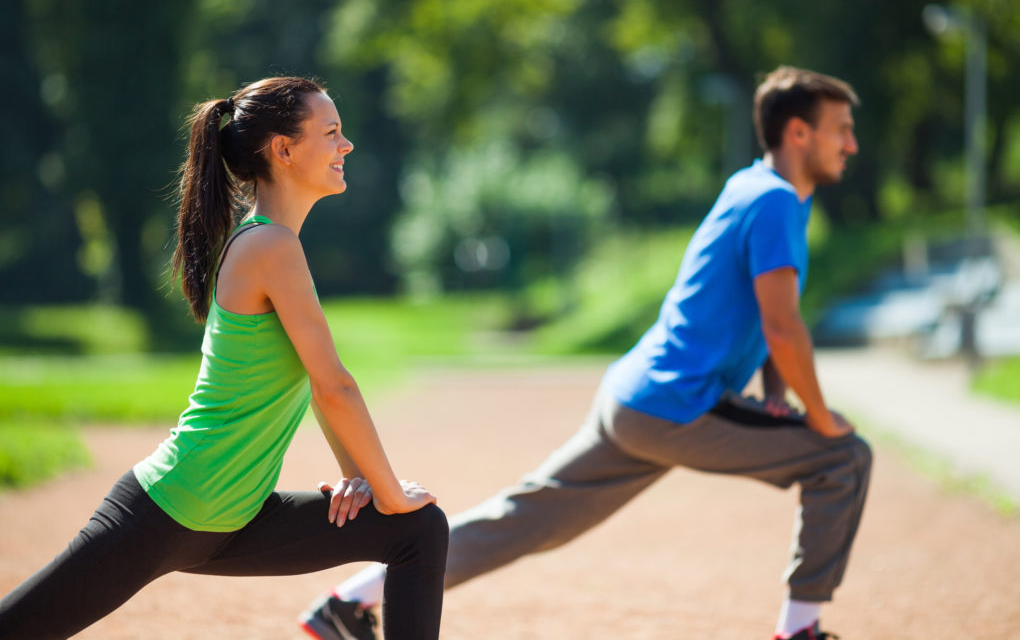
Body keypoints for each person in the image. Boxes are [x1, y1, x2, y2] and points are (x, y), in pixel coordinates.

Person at [301, 66, 871, 640]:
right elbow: (784, 325)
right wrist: (820, 419)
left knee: (525, 520)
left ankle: (347, 603)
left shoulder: (759, 188)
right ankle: (800, 629)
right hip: (678, 403)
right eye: (840, 129)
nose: (851, 143)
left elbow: (771, 309)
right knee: (843, 458)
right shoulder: (775, 202)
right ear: (798, 132)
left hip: (637, 397)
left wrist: (775, 397)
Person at [0, 77, 448, 640]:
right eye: (331, 132)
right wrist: (387, 491)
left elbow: (318, 387)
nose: (346, 145)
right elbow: (336, 386)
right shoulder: (269, 246)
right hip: (173, 506)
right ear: (282, 150)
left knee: (417, 532)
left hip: (236, 518)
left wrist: (358, 479)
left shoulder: (275, 243)